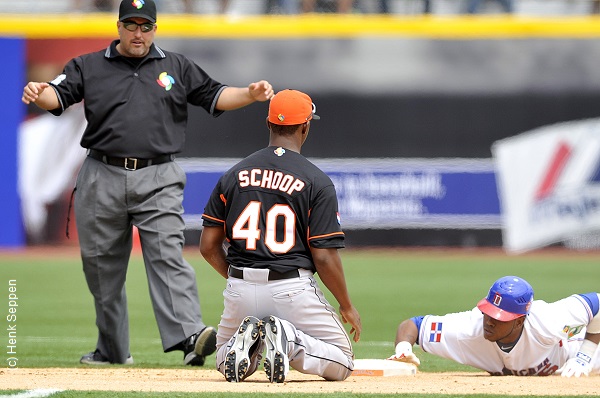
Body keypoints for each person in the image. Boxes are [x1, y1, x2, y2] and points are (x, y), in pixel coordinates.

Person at [21, 0, 274, 366]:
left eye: (145, 26)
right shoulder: (88, 65)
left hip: (159, 175)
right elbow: (56, 95)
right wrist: (37, 92)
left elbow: (215, 95)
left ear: (155, 29)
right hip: (101, 173)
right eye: (131, 25)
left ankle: (190, 336)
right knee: (100, 267)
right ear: (119, 26)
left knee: (167, 255)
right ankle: (111, 348)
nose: (138, 33)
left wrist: (249, 94)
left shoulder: (176, 66)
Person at [199, 89, 362, 383]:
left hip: (239, 285)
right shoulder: (316, 181)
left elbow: (208, 246)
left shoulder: (233, 174)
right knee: (343, 361)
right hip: (291, 288)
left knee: (226, 360)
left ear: (268, 123)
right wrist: (346, 304)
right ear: (306, 126)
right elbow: (324, 256)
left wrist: (239, 280)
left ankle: (251, 343)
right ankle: (290, 342)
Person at [388, 276, 600, 377]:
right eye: (487, 312)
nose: (488, 321)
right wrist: (403, 349)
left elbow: (597, 304)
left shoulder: (548, 320)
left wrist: (585, 356)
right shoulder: (468, 329)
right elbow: (412, 325)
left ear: (520, 320)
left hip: (576, 346)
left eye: (499, 317)